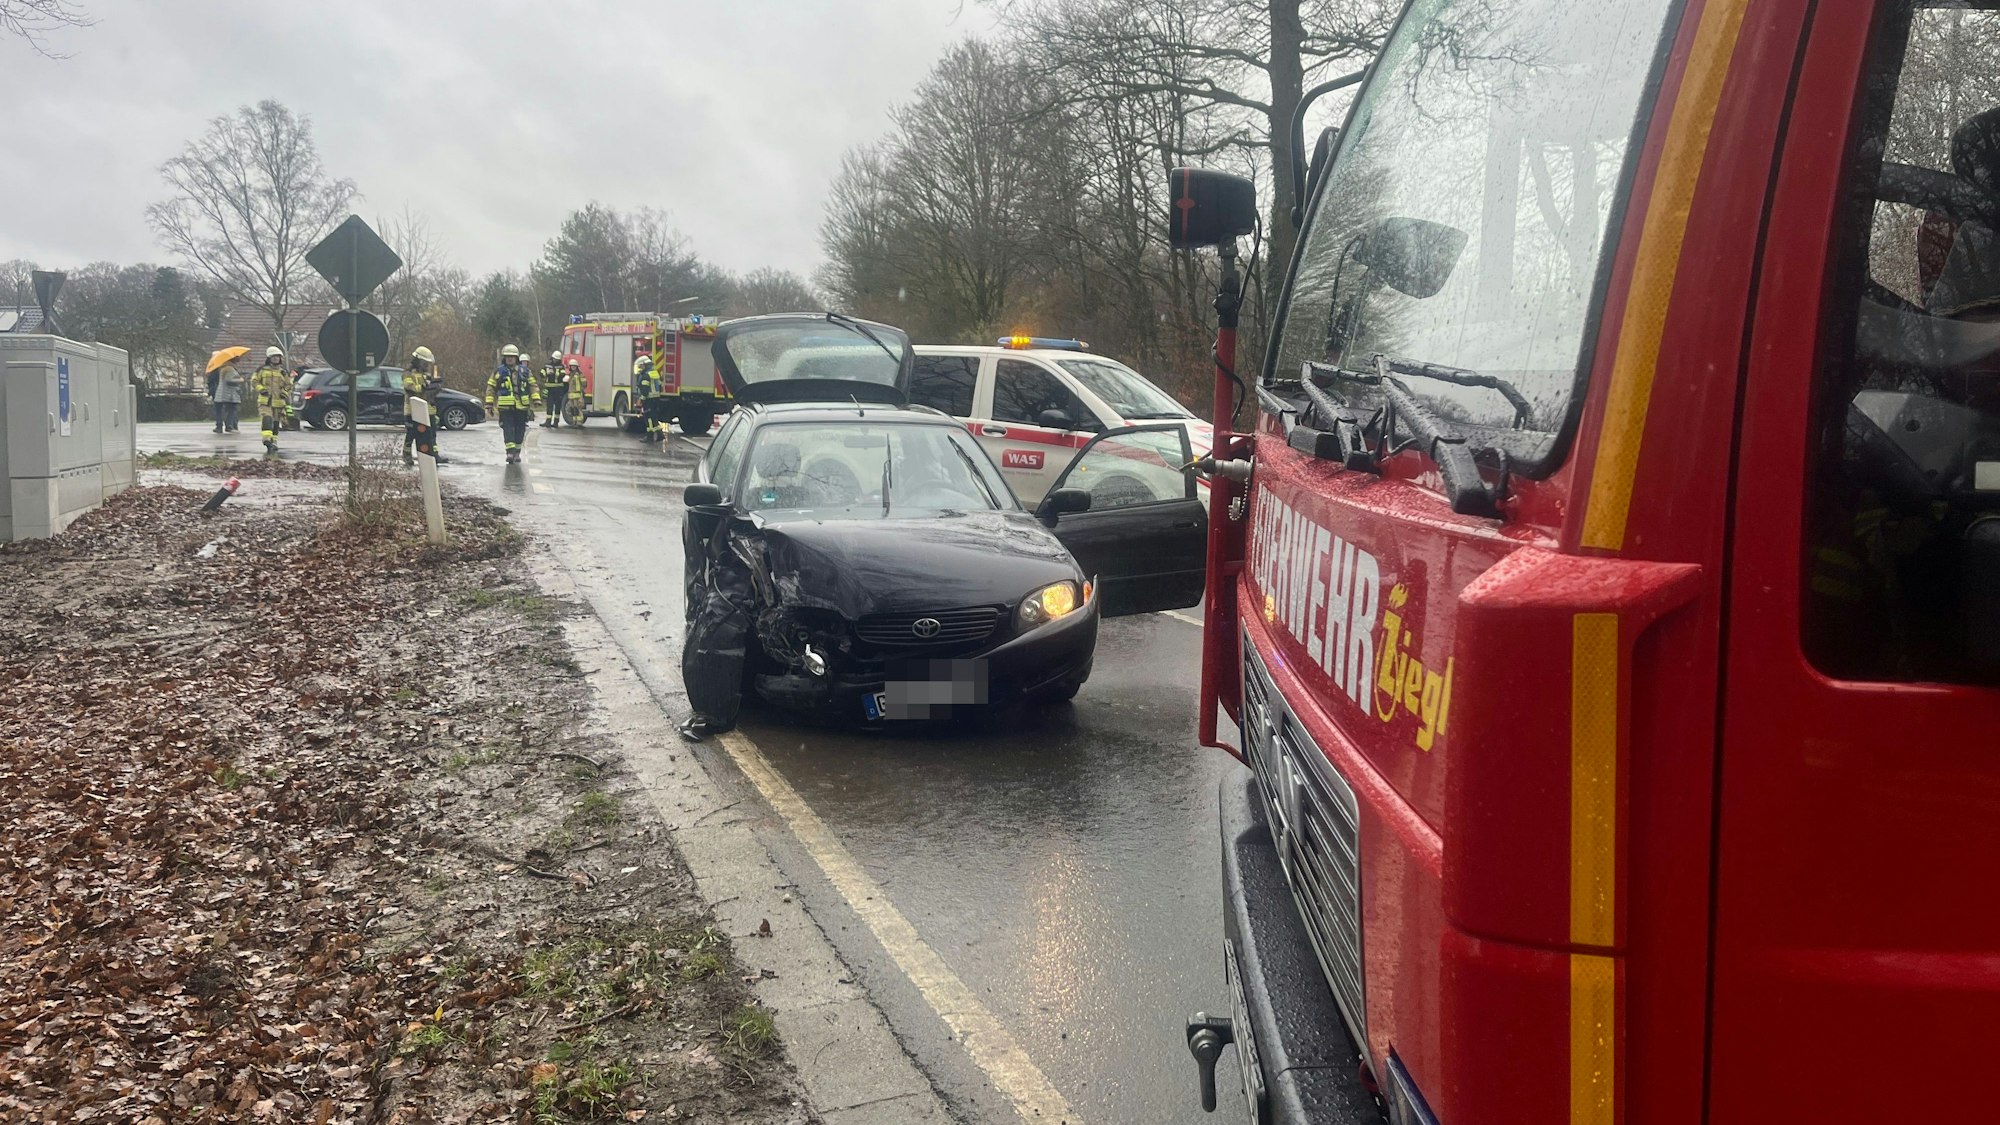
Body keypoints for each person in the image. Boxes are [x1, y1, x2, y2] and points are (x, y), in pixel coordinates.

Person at [485, 343, 541, 463]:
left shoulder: (525, 371)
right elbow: (491, 388)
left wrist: (536, 399)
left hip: (522, 406)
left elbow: (533, 385)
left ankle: (517, 452)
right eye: (507, 356)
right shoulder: (498, 371)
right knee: (508, 428)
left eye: (512, 356)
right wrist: (489, 404)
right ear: (504, 358)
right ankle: (510, 453)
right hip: (505, 406)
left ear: (516, 358)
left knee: (520, 429)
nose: (510, 358)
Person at [402, 345, 447, 465]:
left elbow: (429, 389)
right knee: (411, 434)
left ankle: (434, 455)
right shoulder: (408, 373)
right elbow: (409, 387)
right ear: (417, 360)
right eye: (424, 362)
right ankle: (407, 455)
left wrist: (435, 387)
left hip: (428, 409)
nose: (425, 365)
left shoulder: (426, 374)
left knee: (431, 434)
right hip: (413, 410)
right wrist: (423, 387)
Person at [252, 346, 293, 453]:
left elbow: (289, 384)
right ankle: (266, 440)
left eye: (277, 357)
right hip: (265, 401)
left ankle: (274, 442)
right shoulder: (261, 370)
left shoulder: (284, 372)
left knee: (275, 423)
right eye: (273, 357)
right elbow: (254, 381)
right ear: (269, 358)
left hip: (279, 401)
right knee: (267, 418)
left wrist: (284, 392)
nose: (275, 359)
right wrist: (261, 389)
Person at [634, 353, 664, 443]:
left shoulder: (645, 376)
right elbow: (660, 386)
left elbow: (644, 391)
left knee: (648, 418)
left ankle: (649, 437)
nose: (640, 368)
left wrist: (641, 400)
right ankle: (659, 434)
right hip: (656, 399)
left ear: (645, 365)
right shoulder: (655, 373)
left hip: (648, 400)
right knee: (654, 417)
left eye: (641, 366)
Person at [211, 358, 244, 434]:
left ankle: (225, 426)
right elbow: (229, 380)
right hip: (229, 394)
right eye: (237, 361)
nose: (238, 363)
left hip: (223, 393)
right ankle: (229, 426)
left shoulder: (224, 368)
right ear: (233, 361)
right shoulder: (230, 369)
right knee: (231, 410)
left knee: (226, 410)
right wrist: (240, 380)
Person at [540, 350, 568, 427]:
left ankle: (556, 422)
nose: (556, 360)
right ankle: (548, 422)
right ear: (552, 358)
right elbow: (541, 372)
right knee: (549, 405)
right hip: (549, 389)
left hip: (558, 389)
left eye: (557, 359)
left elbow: (563, 373)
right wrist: (545, 373)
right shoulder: (547, 365)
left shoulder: (561, 366)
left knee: (558, 406)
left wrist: (555, 373)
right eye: (555, 359)